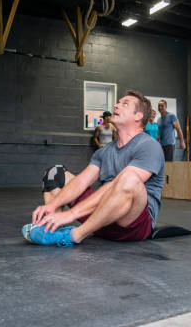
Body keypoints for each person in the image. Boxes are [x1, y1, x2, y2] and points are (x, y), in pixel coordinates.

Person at [21, 90, 165, 247]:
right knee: (54, 173)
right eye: (117, 102)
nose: (116, 105)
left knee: (128, 179)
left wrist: (71, 214)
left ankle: (74, 235)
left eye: (125, 104)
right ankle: (52, 227)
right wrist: (52, 205)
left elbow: (121, 183)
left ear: (138, 116)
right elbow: (81, 182)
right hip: (101, 220)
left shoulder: (149, 146)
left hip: (132, 225)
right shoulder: (103, 151)